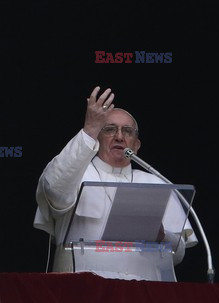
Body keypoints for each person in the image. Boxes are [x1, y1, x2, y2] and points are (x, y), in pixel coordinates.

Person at [33, 86, 197, 280]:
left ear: (136, 145)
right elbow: (53, 190)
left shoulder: (155, 182)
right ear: (98, 138)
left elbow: (177, 255)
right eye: (110, 129)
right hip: (83, 291)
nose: (119, 136)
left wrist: (161, 237)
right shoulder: (77, 173)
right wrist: (89, 129)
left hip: (144, 292)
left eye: (127, 131)